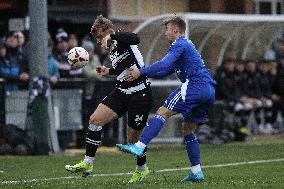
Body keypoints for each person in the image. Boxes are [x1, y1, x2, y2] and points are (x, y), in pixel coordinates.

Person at [116, 16, 216, 182]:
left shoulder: (179, 43)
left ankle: (139, 146)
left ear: (176, 30)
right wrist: (142, 75)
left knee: (163, 111)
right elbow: (165, 70)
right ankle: (196, 172)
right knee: (188, 129)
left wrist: (140, 72)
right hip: (209, 89)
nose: (165, 33)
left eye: (167, 29)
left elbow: (163, 64)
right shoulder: (185, 45)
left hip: (195, 85)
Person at [65, 15, 153, 183]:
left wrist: (111, 36)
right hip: (121, 91)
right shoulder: (113, 49)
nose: (99, 41)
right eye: (97, 38)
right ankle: (88, 162)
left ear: (108, 31)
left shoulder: (122, 38)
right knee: (95, 119)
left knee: (133, 138)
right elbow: (124, 67)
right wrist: (109, 71)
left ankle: (142, 169)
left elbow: (136, 38)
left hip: (140, 93)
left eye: (100, 36)